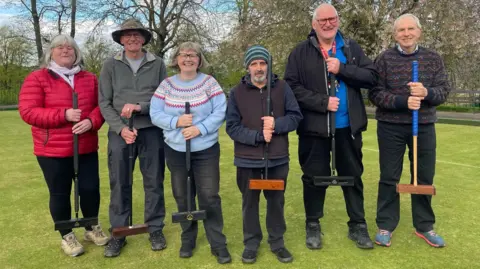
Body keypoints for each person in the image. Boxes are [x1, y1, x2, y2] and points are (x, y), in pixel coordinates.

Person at [284, 3, 378, 250]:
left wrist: (342, 68)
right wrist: (322, 102)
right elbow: (291, 88)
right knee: (314, 178)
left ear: (338, 20)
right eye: (322, 20)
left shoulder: (351, 48)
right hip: (314, 129)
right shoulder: (300, 52)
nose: (328, 23)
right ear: (314, 24)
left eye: (332, 18)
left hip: (348, 127)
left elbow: (371, 77)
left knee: (353, 176)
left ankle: (357, 225)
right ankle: (313, 224)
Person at [18, 34, 108, 257]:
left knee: (89, 189)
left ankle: (91, 226)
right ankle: (66, 235)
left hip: (85, 145)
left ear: (77, 53)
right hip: (52, 149)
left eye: (70, 47)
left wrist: (91, 121)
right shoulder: (37, 78)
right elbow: (28, 112)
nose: (65, 50)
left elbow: (101, 106)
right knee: (59, 193)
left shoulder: (89, 78)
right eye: (60, 47)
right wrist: (63, 114)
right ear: (51, 53)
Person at [369, 13, 450, 248]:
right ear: (395, 34)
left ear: (419, 32)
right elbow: (375, 93)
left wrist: (426, 94)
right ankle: (385, 224)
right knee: (389, 176)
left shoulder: (433, 58)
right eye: (401, 30)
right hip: (390, 127)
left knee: (424, 176)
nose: (406, 34)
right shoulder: (383, 59)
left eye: (410, 29)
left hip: (423, 126)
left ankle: (424, 225)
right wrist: (403, 102)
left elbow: (443, 90)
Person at [149, 41, 231, 264]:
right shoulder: (166, 85)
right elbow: (154, 113)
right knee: (183, 196)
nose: (188, 58)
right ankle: (188, 238)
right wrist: (176, 121)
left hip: (205, 150)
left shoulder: (209, 83)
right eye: (184, 55)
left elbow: (220, 111)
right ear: (176, 59)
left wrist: (199, 128)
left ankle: (217, 242)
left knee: (209, 196)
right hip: (176, 150)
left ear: (199, 59)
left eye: (193, 55)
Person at [226, 45, 303, 263]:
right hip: (247, 160)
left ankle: (277, 242)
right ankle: (251, 243)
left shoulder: (282, 88)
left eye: (262, 63)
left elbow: (295, 117)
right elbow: (232, 127)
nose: (259, 68)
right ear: (248, 67)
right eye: (254, 64)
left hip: (277, 158)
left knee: (276, 201)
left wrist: (276, 124)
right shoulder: (236, 93)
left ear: (268, 66)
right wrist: (258, 136)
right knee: (249, 202)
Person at [98, 18, 168, 257]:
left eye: (136, 35)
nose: (132, 38)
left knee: (154, 181)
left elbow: (164, 99)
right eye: (127, 35)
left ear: (143, 38)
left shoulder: (157, 63)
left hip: (151, 130)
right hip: (121, 132)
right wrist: (120, 128)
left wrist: (140, 107)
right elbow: (104, 102)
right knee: (119, 182)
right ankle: (119, 233)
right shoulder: (110, 65)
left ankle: (155, 228)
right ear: (120, 39)